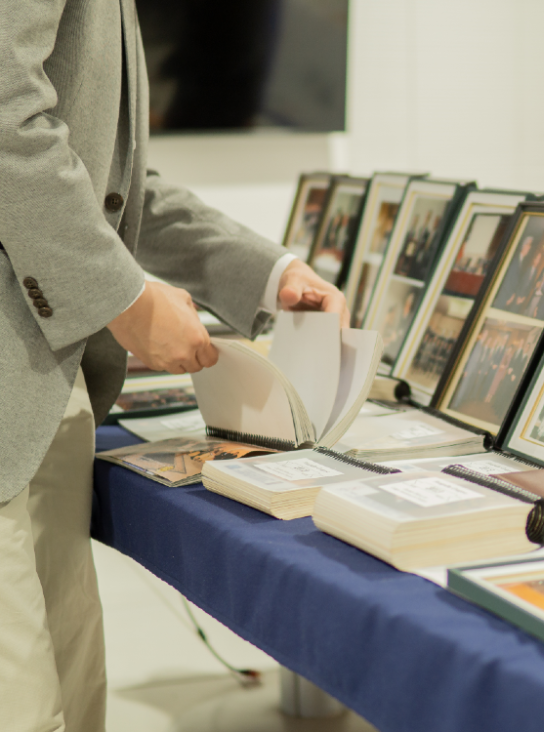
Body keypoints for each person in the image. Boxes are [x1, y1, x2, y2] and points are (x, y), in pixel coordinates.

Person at [1, 2, 351, 730]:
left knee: (71, 697)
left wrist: (269, 272)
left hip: (47, 385)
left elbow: (113, 185)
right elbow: (6, 121)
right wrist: (127, 301)